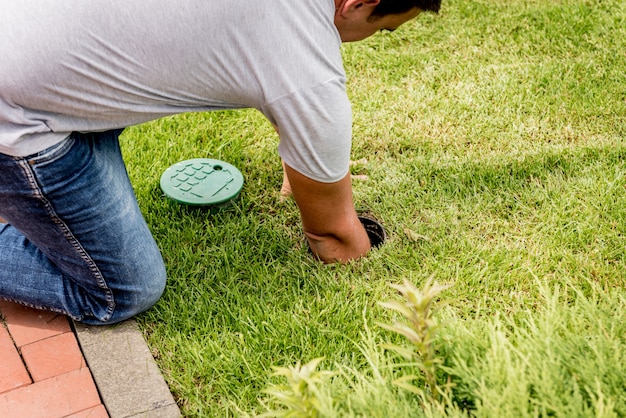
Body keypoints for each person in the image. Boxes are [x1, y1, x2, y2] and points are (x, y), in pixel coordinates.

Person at [0, 0, 441, 324]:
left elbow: (279, 80)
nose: (375, 39)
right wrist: (369, 273)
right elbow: (332, 236)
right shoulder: (307, 67)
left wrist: (310, 171)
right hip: (16, 116)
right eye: (383, 29)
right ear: (359, 4)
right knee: (124, 291)